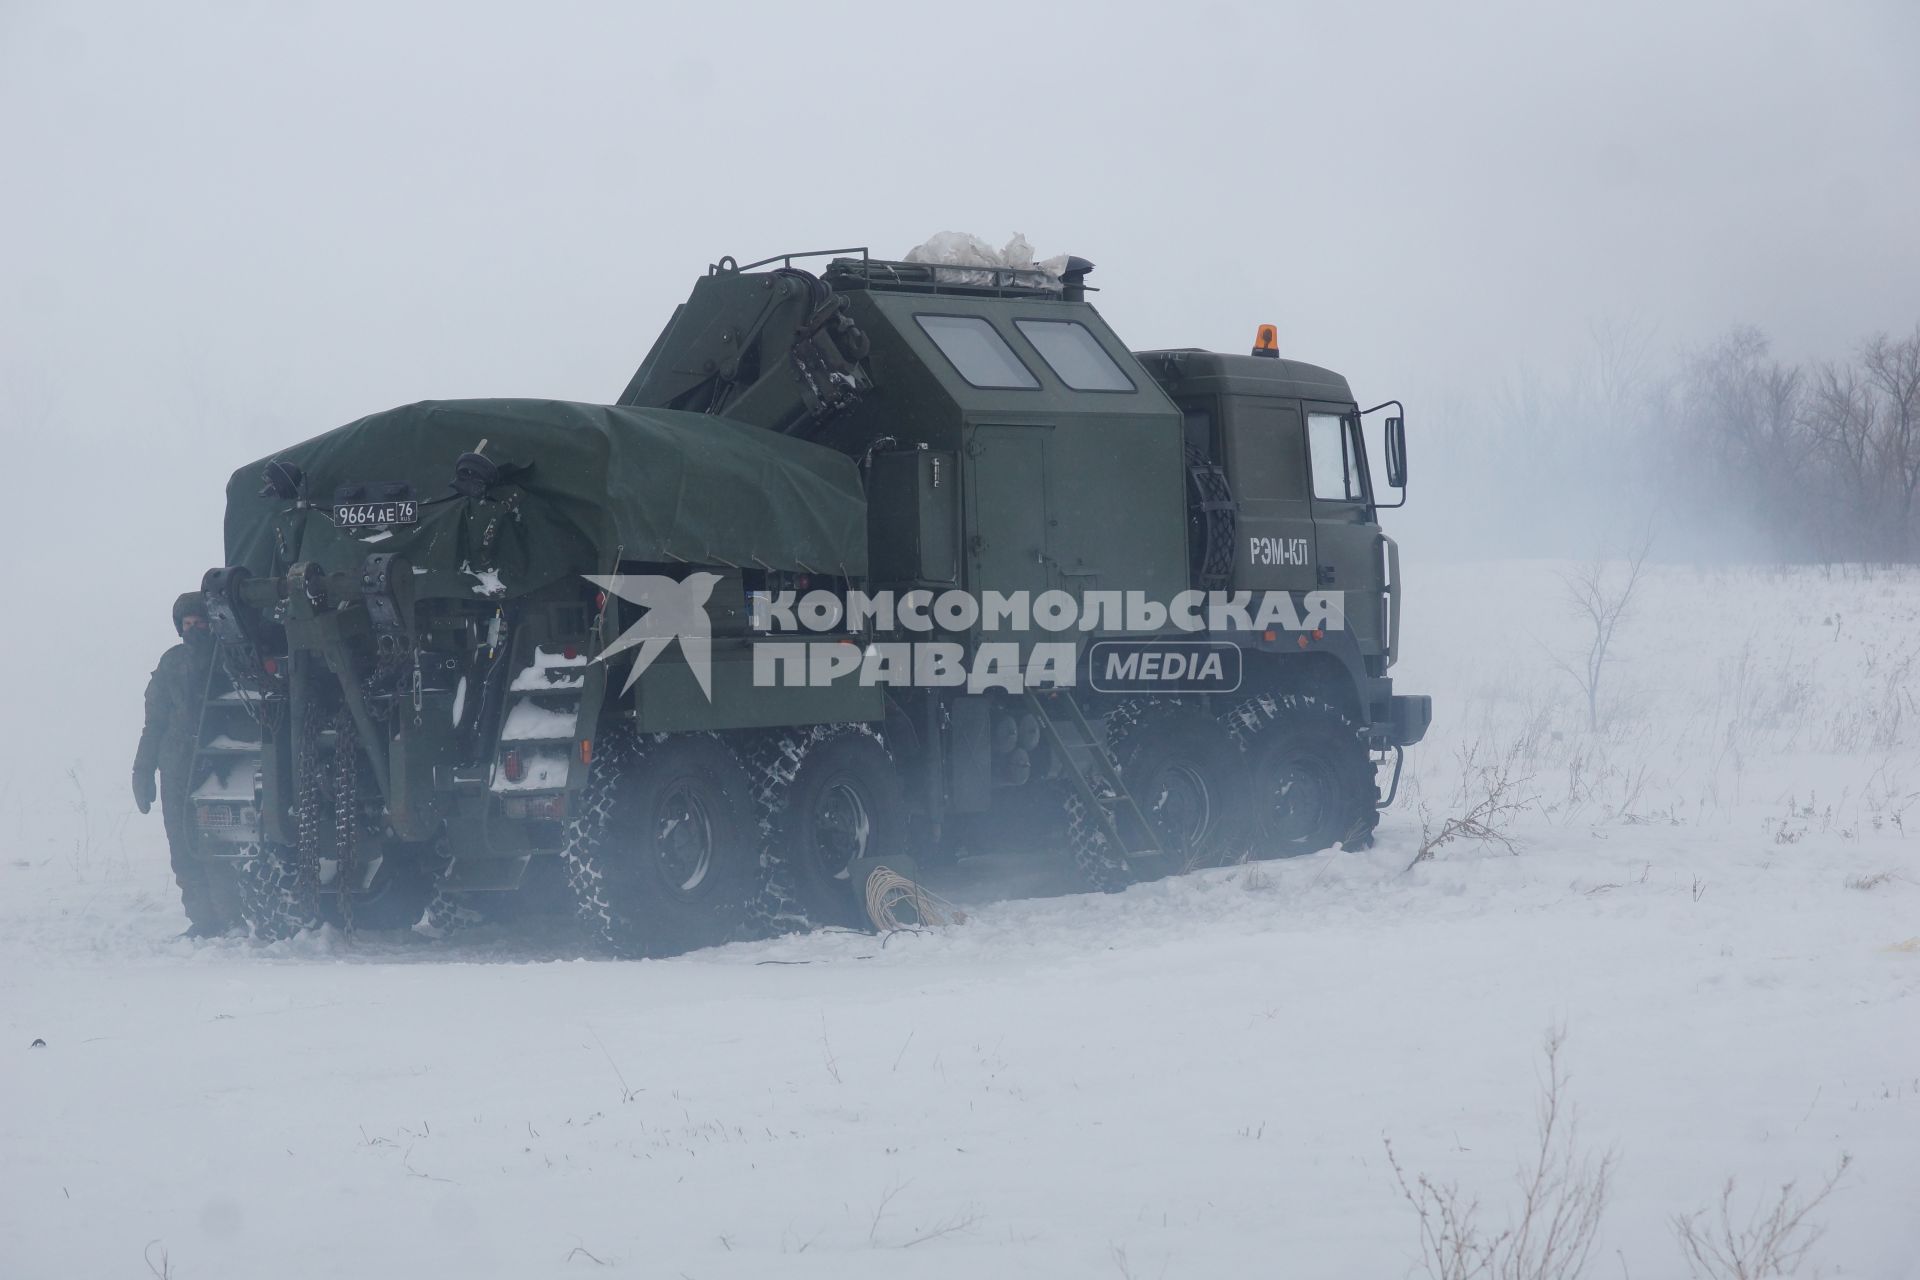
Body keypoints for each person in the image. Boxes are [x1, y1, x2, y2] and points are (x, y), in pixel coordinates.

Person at [133, 592, 225, 937]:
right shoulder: (171, 663)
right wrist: (142, 771)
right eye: (188, 624)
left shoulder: (230, 659)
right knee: (182, 847)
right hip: (175, 768)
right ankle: (203, 922)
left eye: (200, 622)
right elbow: (154, 722)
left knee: (215, 848)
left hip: (220, 767)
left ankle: (231, 917)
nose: (195, 629)